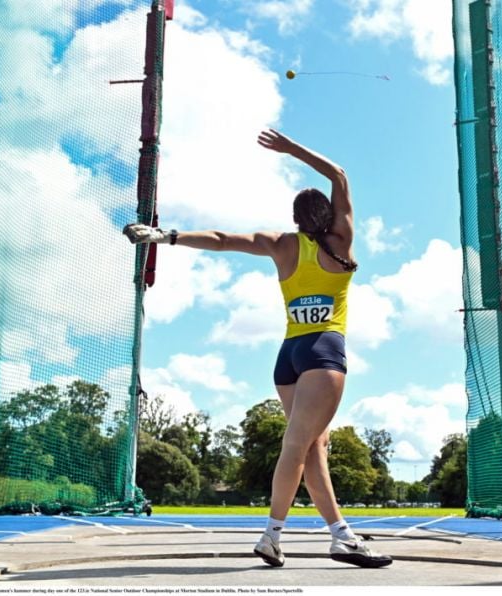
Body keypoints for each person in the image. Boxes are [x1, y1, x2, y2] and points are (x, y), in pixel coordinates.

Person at [124, 128, 392, 569]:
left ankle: (340, 536)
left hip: (289, 357)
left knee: (311, 448)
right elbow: (339, 174)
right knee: (298, 445)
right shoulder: (341, 243)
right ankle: (271, 535)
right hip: (323, 353)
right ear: (328, 216)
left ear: (297, 218)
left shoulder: (282, 244)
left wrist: (165, 236)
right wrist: (291, 149)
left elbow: (222, 238)